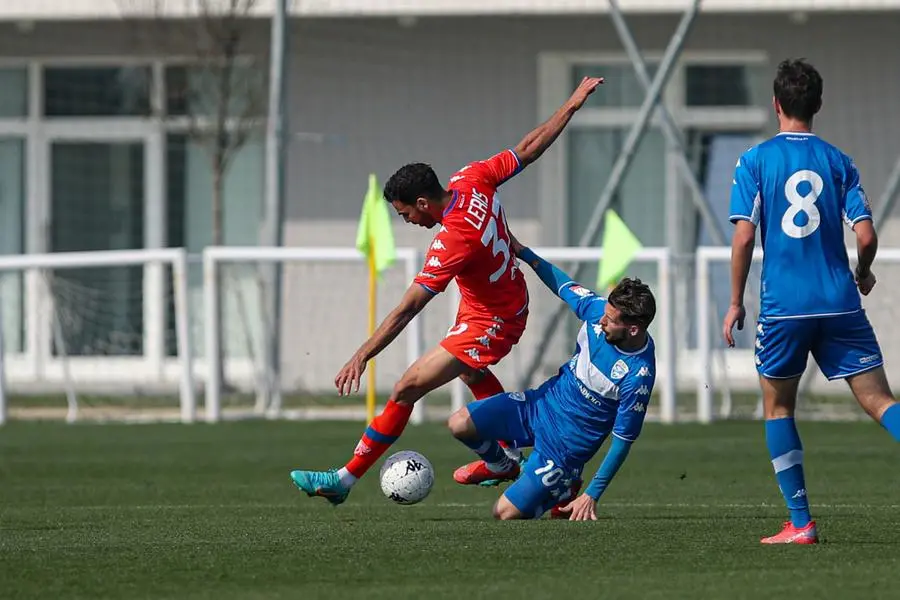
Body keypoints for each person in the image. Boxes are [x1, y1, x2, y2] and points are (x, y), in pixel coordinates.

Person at [291, 76, 605, 506]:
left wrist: (362, 354)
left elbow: (407, 309)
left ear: (423, 203)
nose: (407, 222)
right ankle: (511, 461)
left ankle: (344, 480)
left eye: (405, 214)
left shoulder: (453, 239)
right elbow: (529, 148)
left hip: (493, 319)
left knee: (406, 388)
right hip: (500, 301)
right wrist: (570, 104)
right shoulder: (472, 178)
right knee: (470, 372)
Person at [724, 58, 900, 545]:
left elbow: (742, 240)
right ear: (817, 106)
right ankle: (798, 524)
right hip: (840, 304)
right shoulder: (839, 161)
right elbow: (865, 236)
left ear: (776, 104)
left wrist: (735, 301)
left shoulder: (755, 160)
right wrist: (862, 274)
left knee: (780, 410)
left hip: (785, 309)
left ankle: (800, 523)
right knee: (881, 402)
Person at [449, 237, 656, 520]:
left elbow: (622, 442)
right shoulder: (598, 311)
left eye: (610, 320)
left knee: (503, 513)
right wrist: (523, 252)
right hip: (539, 406)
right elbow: (562, 285)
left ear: (632, 330)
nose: (601, 321)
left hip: (564, 449)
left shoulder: (638, 375)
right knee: (460, 424)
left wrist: (592, 494)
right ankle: (503, 465)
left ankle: (567, 486)